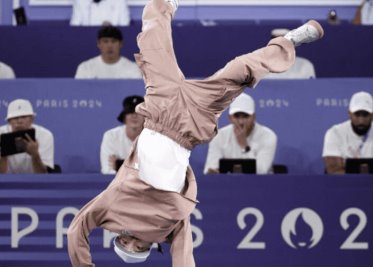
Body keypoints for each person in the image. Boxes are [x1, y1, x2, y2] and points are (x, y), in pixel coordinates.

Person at [67, 0, 324, 266]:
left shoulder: (112, 206)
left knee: (152, 36)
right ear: (152, 247)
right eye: (137, 248)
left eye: (125, 243)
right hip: (191, 123)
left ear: (117, 237)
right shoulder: (169, 225)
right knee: (239, 71)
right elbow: (184, 258)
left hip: (159, 107)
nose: (132, 241)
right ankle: (290, 41)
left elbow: (77, 229)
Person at [204, 93, 277, 174]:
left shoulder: (268, 136)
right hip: (227, 185)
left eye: (245, 116)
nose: (241, 122)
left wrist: (244, 146)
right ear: (230, 118)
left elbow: (261, 171)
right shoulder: (219, 137)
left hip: (258, 185)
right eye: (237, 116)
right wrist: (213, 172)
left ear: (254, 117)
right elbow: (210, 169)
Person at [322, 91, 373, 174]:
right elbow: (333, 170)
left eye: (365, 115)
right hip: (343, 185)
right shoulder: (335, 133)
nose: (361, 121)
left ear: (372, 115)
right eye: (357, 115)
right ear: (349, 114)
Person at [0, 99, 54, 174]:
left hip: (35, 183)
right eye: (15, 118)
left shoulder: (45, 135)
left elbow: (43, 176)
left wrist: (35, 155)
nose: (19, 121)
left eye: (24, 117)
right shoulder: (1, 134)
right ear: (9, 121)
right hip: (7, 184)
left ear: (32, 119)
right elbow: (2, 177)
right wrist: (3, 155)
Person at [74, 25, 142, 79]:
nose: (109, 46)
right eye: (105, 41)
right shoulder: (85, 68)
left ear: (121, 44)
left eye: (113, 41)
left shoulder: (133, 68)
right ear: (98, 44)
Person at [100, 95, 145, 174]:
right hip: (118, 185)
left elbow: (156, 171)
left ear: (145, 117)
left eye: (138, 112)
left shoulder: (154, 137)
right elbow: (107, 170)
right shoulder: (111, 136)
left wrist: (120, 165)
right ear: (124, 117)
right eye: (130, 112)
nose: (134, 116)